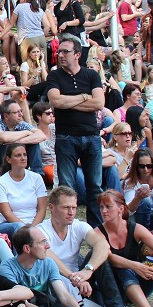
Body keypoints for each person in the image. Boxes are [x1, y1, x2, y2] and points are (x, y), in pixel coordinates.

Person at [37, 187, 138, 307]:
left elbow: (103, 245)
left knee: (99, 256)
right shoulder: (41, 230)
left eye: (74, 207)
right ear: (52, 207)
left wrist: (87, 270)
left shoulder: (78, 225)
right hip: (55, 281)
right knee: (51, 270)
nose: (71, 212)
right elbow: (48, 255)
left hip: (78, 279)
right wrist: (74, 277)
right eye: (66, 208)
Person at [47, 35, 105, 226]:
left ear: (78, 54)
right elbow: (56, 101)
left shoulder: (91, 75)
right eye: (59, 51)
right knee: (66, 188)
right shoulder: (54, 75)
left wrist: (68, 101)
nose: (60, 55)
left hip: (91, 136)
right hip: (66, 137)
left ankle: (95, 229)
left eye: (65, 51)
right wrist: (83, 96)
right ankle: (66, 230)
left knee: (95, 187)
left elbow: (99, 103)